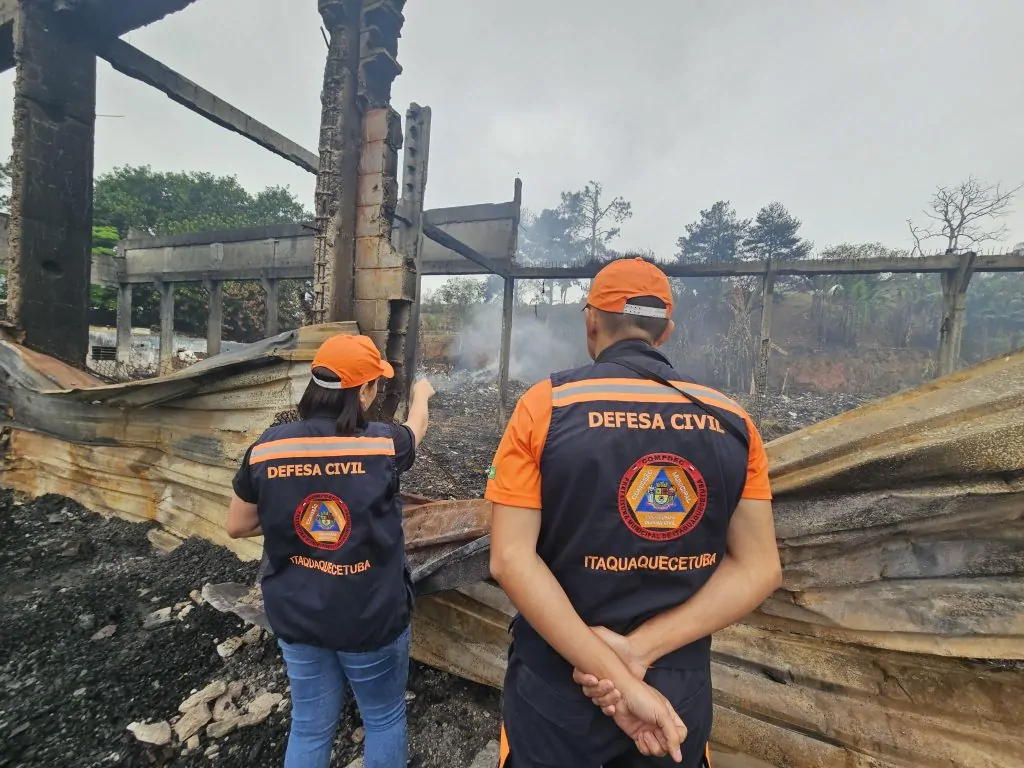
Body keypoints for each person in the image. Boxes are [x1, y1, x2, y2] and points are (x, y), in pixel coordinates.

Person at [486, 257, 782, 768]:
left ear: (591, 321)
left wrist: (613, 672)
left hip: (557, 685)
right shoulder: (734, 423)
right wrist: (638, 654)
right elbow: (761, 567)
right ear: (665, 331)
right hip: (672, 694)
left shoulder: (544, 406)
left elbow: (511, 560)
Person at [225, 333, 435, 768]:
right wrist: (421, 394)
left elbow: (238, 524)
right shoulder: (382, 444)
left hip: (298, 615)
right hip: (370, 618)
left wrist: (289, 509)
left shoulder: (268, 447)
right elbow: (416, 431)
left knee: (309, 725)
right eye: (375, 385)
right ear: (361, 391)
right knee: (383, 718)